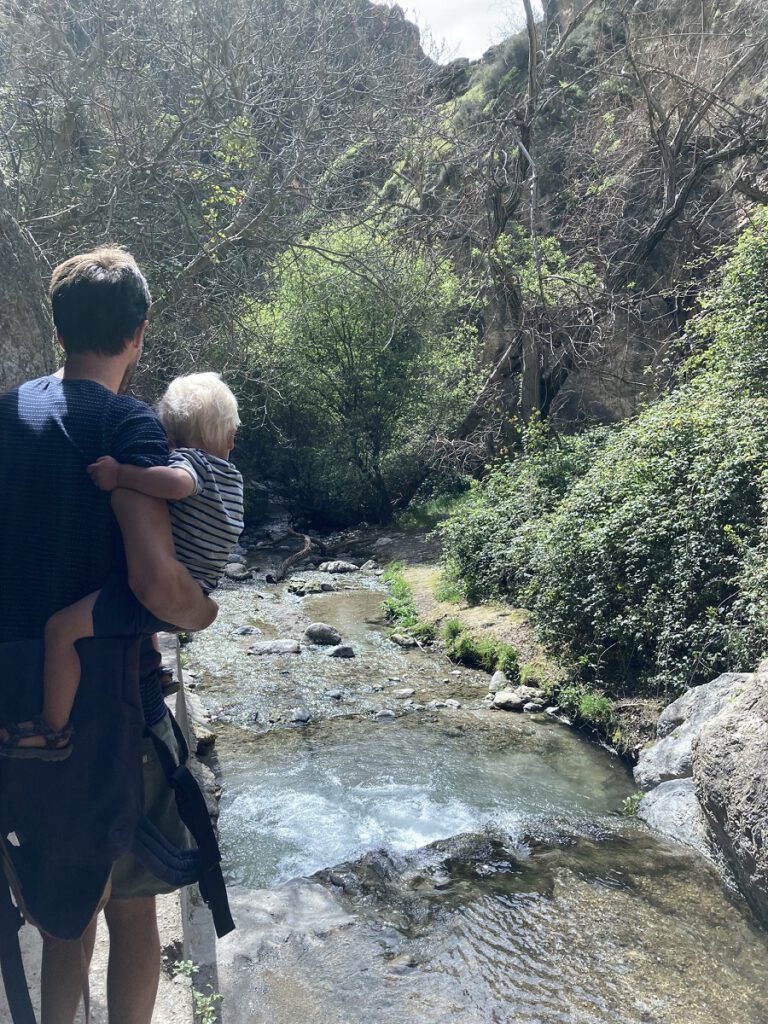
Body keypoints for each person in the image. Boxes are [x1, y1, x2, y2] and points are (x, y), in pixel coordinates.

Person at [0, 246, 218, 1024]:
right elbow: (158, 583)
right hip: (114, 719)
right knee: (133, 909)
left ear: (60, 328)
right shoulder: (127, 424)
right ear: (139, 332)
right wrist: (202, 612)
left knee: (64, 919)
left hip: (22, 715)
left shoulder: (4, 416)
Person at [0, 371, 244, 759]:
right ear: (231, 438)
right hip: (195, 588)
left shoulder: (191, 463)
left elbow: (177, 484)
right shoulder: (232, 477)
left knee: (61, 630)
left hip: (156, 596)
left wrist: (121, 475)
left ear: (171, 438)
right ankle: (157, 669)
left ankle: (53, 729)